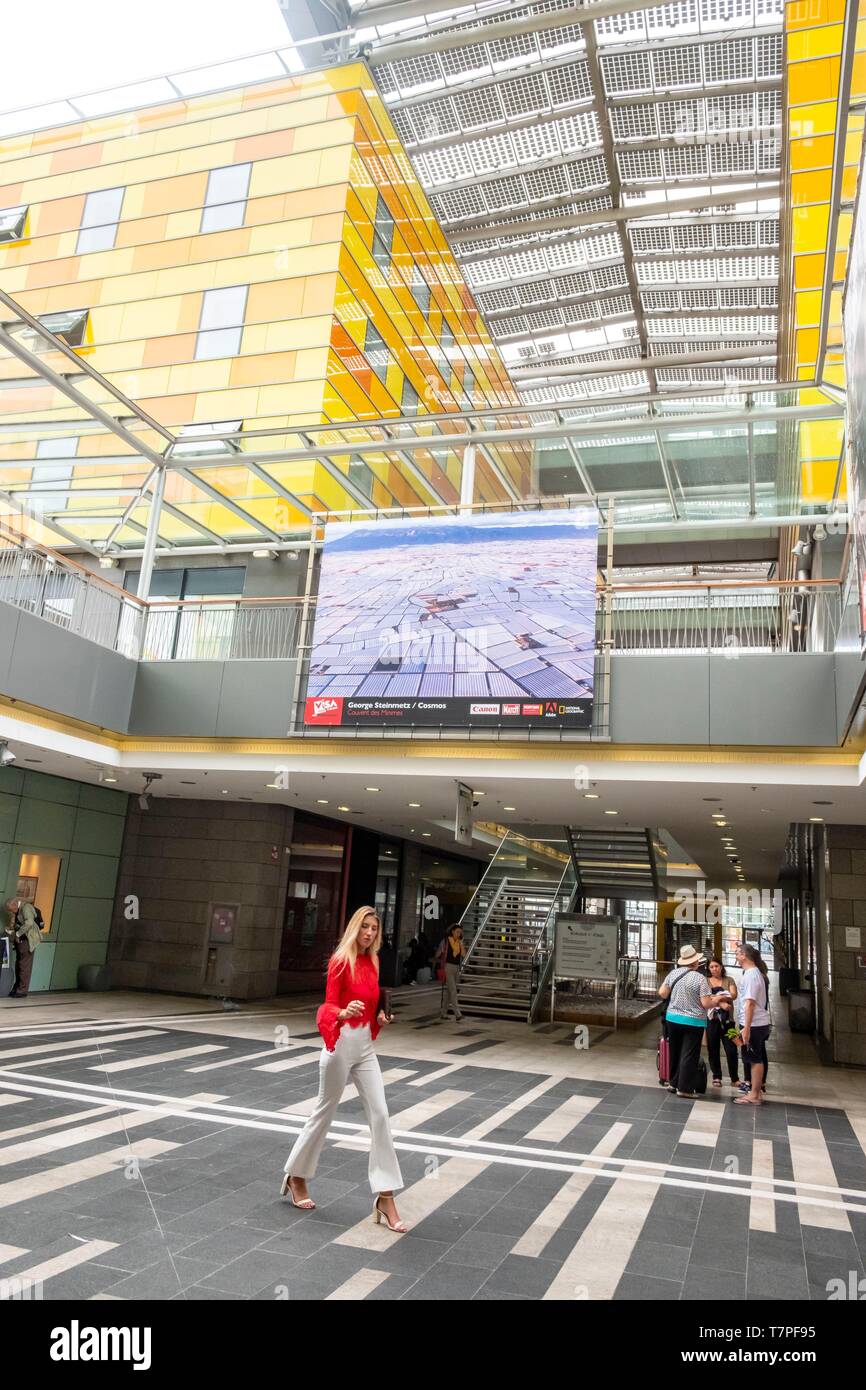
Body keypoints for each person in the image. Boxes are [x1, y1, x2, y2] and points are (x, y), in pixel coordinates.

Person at [280, 906, 407, 1233]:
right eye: (365, 927)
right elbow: (327, 1007)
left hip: (365, 1046)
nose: (369, 933)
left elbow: (373, 1002)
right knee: (325, 1111)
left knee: (380, 1113)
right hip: (340, 1045)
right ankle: (296, 1176)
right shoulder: (341, 961)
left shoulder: (374, 961)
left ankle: (386, 1194)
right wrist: (342, 1011)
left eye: (374, 928)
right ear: (355, 928)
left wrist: (380, 1017)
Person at [658, 945, 718, 1098]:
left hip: (672, 1018)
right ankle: (684, 1089)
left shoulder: (673, 973)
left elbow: (663, 993)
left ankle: (673, 1083)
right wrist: (717, 1000)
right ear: (696, 962)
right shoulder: (700, 979)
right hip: (693, 1021)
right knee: (689, 1054)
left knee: (675, 1051)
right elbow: (705, 1003)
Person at [733, 941, 771, 1105]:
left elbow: (750, 1003)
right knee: (755, 1057)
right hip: (755, 1023)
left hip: (754, 1024)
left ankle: (754, 1094)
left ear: (744, 955)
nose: (735, 956)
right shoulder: (753, 973)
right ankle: (756, 1092)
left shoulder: (751, 975)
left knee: (755, 1059)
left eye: (737, 953)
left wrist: (746, 1028)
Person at [705, 956, 739, 1088]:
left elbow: (734, 995)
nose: (714, 969)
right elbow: (706, 997)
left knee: (732, 1049)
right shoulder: (706, 981)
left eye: (716, 966)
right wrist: (722, 1001)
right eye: (711, 967)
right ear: (709, 969)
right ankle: (716, 1076)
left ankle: (734, 1078)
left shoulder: (729, 980)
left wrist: (717, 998)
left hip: (728, 1021)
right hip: (712, 1021)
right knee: (713, 1049)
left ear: (721, 967)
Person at [4, 897, 40, 998]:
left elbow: (29, 923)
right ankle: (17, 987)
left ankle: (22, 990)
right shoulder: (18, 910)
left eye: (11, 909)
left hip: (27, 940)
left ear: (15, 904)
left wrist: (18, 934)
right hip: (21, 940)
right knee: (19, 965)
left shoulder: (26, 908)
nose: (11, 911)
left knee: (24, 966)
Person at [437, 924, 466, 1022]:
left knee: (449, 992)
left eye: (460, 932)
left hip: (457, 968)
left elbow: (463, 954)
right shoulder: (446, 941)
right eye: (457, 932)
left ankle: (443, 1013)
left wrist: (461, 944)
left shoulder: (459, 942)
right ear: (452, 931)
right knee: (453, 990)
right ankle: (458, 1014)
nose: (459, 934)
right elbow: (437, 954)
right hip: (448, 967)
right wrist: (440, 951)